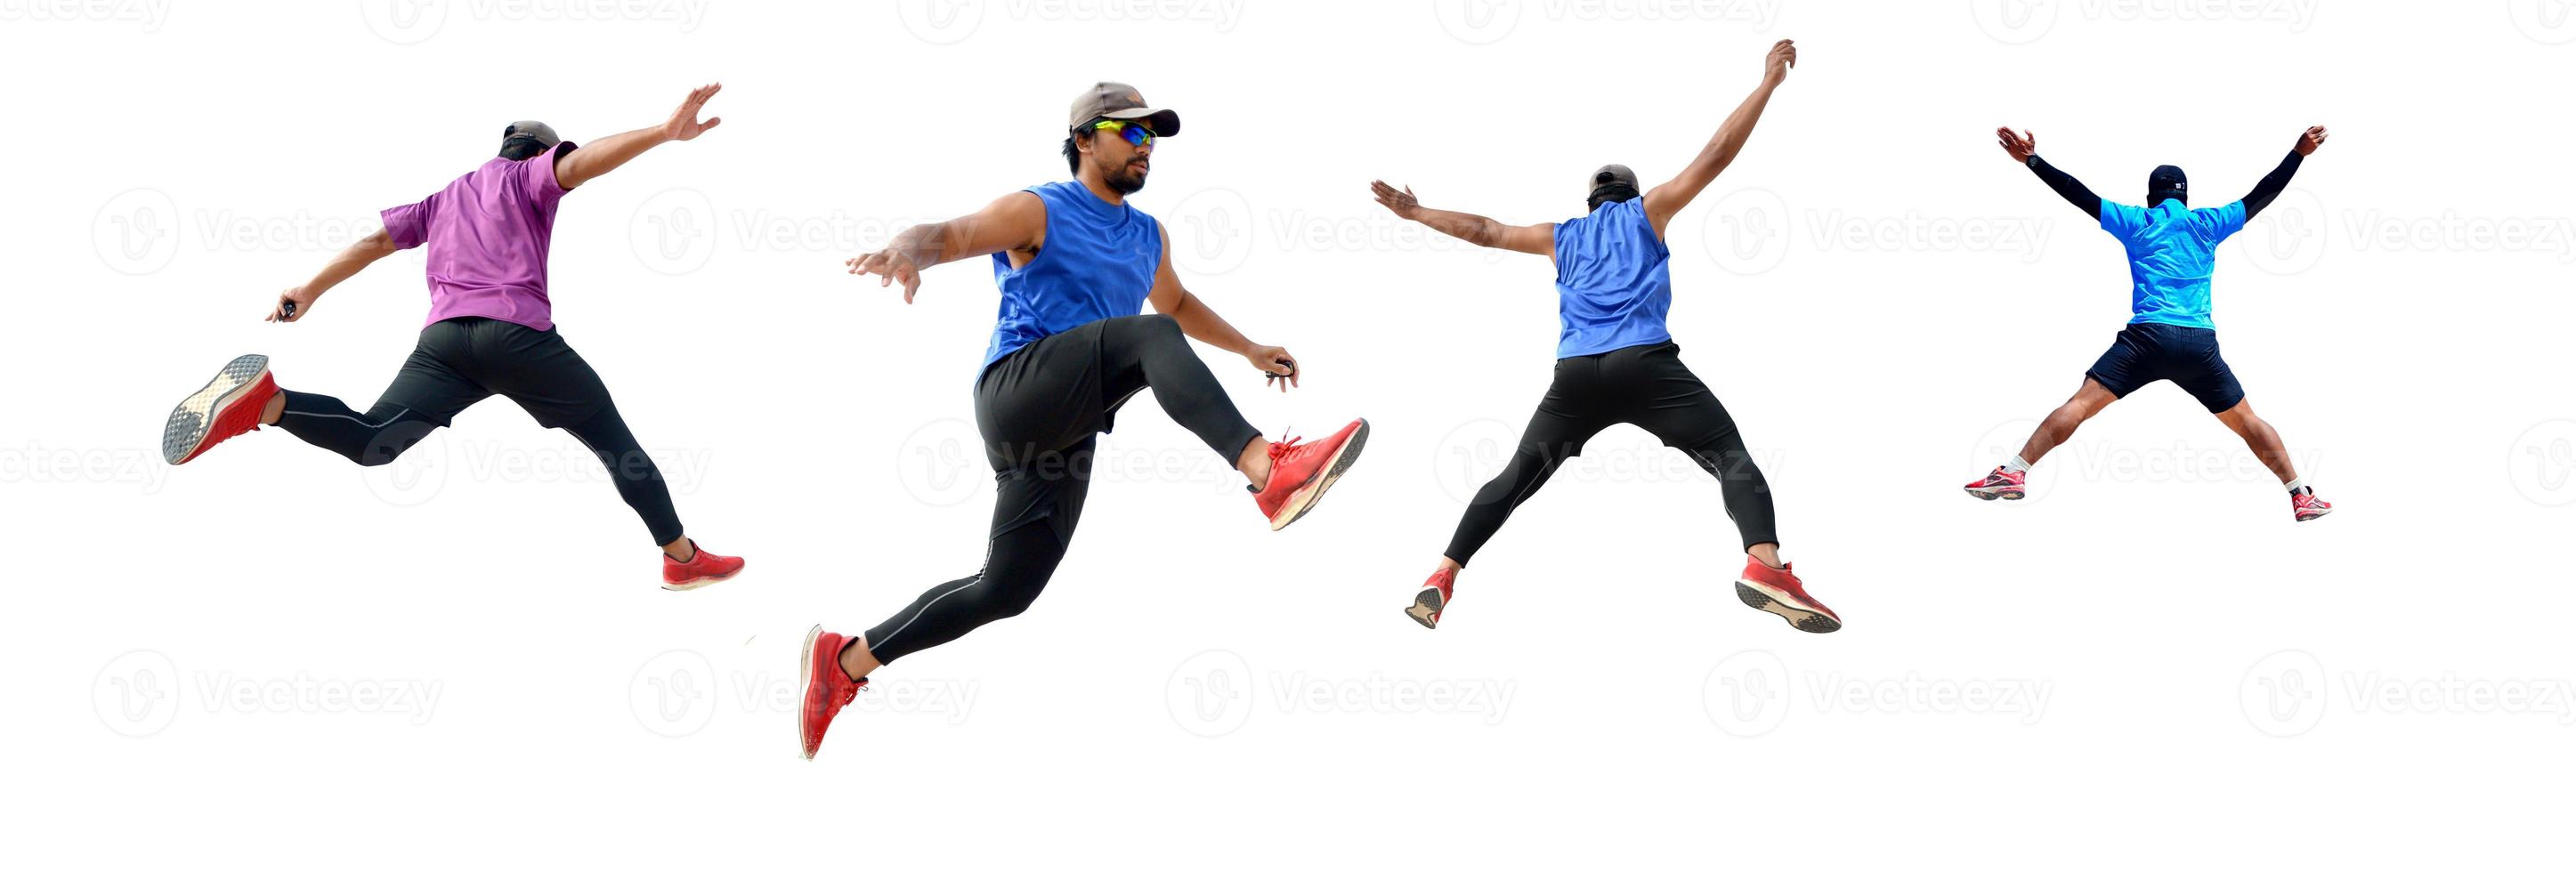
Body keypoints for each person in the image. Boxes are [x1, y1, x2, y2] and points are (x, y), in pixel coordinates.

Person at [797, 83, 1370, 759]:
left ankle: (845, 663)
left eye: (1152, 137)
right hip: (1016, 391)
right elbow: (950, 235)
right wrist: (904, 249)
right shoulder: (1040, 208)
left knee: (1006, 588)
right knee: (1145, 338)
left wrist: (1248, 348)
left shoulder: (1147, 236)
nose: (1145, 148)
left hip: (1066, 427)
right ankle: (1267, 470)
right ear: (1084, 138)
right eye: (1131, 133)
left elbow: (1178, 303)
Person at [157, 85, 749, 589]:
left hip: (443, 347)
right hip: (515, 339)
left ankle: (269, 405)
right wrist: (663, 132)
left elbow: (373, 244)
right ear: (540, 153)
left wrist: (310, 289)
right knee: (613, 443)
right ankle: (681, 557)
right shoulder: (526, 178)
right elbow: (584, 163)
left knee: (375, 441)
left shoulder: (444, 198)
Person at [1368, 40, 1840, 634]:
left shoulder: (1560, 237)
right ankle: (1765, 565)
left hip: (1576, 377)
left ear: (1590, 201)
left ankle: (1442, 573)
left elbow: (1487, 231)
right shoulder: (1651, 210)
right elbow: (1716, 154)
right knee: (1732, 457)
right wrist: (1768, 83)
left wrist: (1416, 213)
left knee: (1514, 476)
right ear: (1628, 194)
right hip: (1644, 365)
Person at [1964, 125, 2334, 523]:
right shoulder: (2209, 224)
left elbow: (2079, 194)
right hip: (2198, 343)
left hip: (2147, 338)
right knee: (2247, 421)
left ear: (2150, 197)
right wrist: (2298, 153)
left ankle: (2016, 471)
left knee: (2080, 405)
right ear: (2186, 197)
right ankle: (2299, 494)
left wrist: (2032, 161)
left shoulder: (2136, 221)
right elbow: (2263, 194)